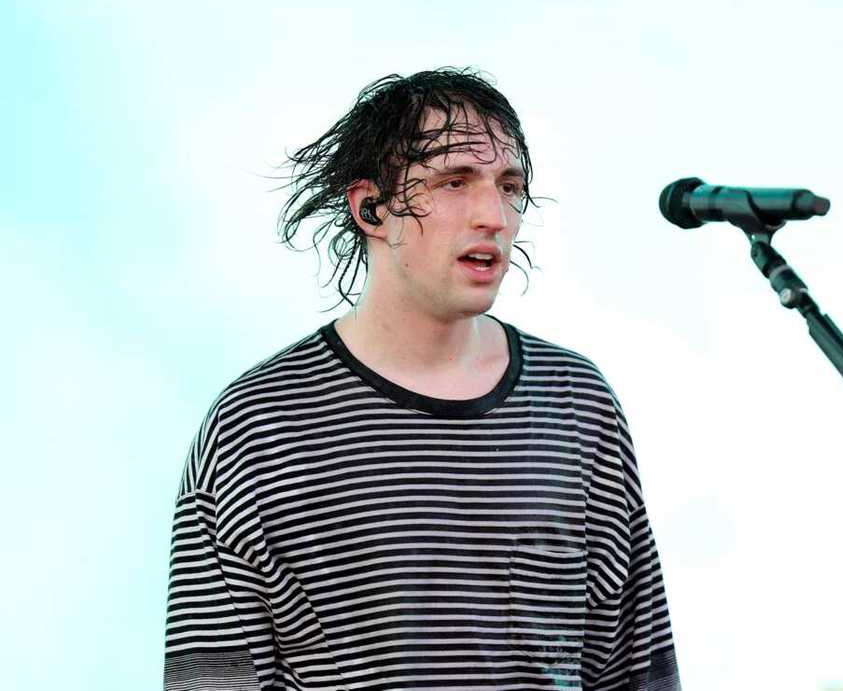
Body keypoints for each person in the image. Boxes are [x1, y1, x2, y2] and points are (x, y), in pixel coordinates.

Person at [163, 68, 681, 690]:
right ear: (371, 208)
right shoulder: (258, 426)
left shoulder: (575, 402)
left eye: (508, 185)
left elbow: (636, 669)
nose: (493, 214)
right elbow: (211, 680)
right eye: (454, 181)